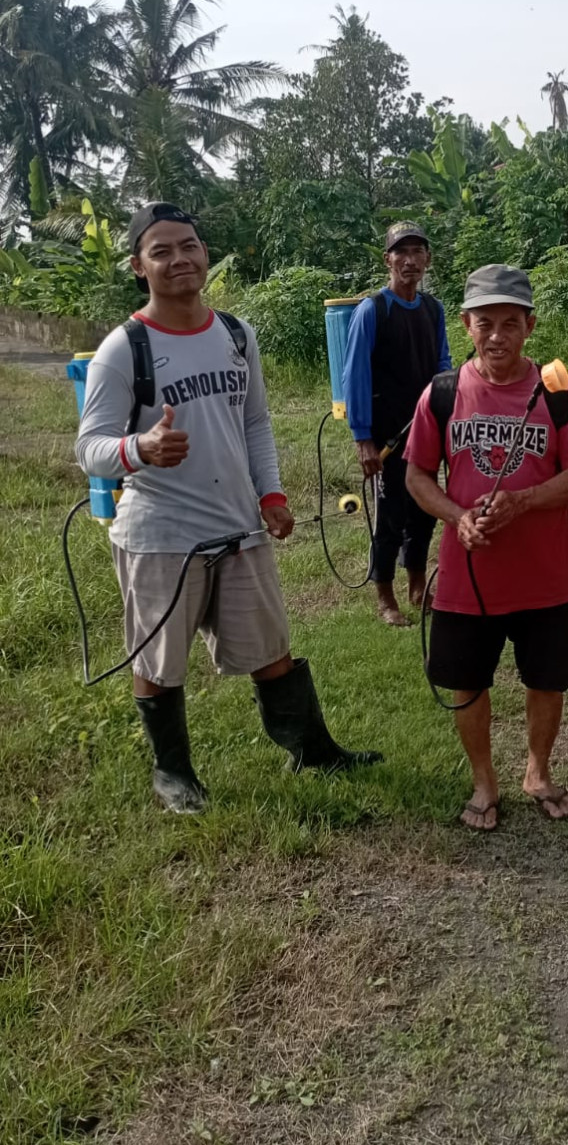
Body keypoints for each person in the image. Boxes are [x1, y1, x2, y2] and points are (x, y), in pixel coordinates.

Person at [75, 202, 382, 815]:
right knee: (160, 662)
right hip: (161, 534)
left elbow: (256, 423)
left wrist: (271, 495)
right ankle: (173, 773)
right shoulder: (124, 348)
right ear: (139, 266)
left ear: (204, 253)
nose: (179, 259)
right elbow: (89, 449)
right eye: (160, 251)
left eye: (188, 245)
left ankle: (312, 749)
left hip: (239, 524)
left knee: (270, 648)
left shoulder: (236, 334)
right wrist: (141, 447)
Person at [405, 264, 568, 832]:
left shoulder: (558, 393)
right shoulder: (442, 393)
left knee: (547, 678)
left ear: (530, 326)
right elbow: (417, 476)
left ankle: (537, 771)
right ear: (466, 325)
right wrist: (458, 516)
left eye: (510, 323)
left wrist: (523, 500)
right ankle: (484, 780)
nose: (497, 336)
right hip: (469, 577)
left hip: (546, 574)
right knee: (469, 680)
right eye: (484, 322)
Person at [343, 221, 452, 625]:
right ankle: (385, 597)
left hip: (425, 431)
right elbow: (355, 376)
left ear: (427, 259)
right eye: (400, 252)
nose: (410, 260)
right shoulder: (373, 310)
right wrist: (362, 438)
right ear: (388, 259)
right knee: (390, 515)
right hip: (386, 434)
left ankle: (418, 585)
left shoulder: (432, 309)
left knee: (424, 509)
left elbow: (443, 366)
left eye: (417, 251)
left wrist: (446, 408)